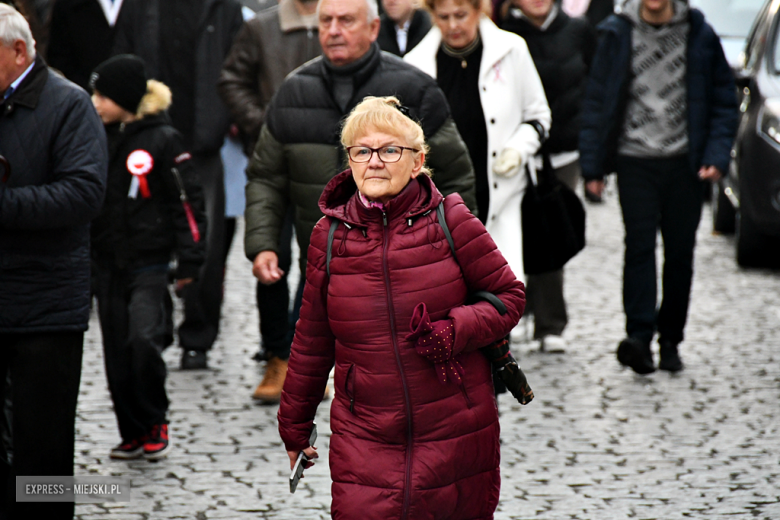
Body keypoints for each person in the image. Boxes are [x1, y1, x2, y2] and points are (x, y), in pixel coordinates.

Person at [278, 96, 526, 519]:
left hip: (455, 428)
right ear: (350, 161)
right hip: (365, 431)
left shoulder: (453, 218)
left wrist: (456, 329)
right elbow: (312, 339)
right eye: (361, 151)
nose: (374, 161)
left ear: (417, 162)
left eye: (390, 150)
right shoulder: (328, 236)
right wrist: (294, 428)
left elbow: (509, 297)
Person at [244, 0, 477, 402]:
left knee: (392, 380)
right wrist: (263, 242)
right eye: (326, 21)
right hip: (322, 257)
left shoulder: (414, 88)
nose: (334, 30)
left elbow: (456, 176)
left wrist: (457, 246)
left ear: (372, 29)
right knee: (318, 358)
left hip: (407, 264)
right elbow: (266, 177)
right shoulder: (292, 91)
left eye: (346, 21)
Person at [579, 0, 737, 373]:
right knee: (639, 246)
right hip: (635, 159)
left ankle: (671, 340)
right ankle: (639, 338)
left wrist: (716, 154)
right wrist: (593, 167)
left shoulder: (699, 32)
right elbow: (597, 100)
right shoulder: (617, 32)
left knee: (680, 252)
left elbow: (723, 100)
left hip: (686, 162)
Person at [0, 5, 107, 518]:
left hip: (46, 303)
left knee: (44, 455)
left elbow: (84, 194)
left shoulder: (69, 104)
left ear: (18, 51)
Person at [113, 0, 244, 369]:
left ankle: (197, 338)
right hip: (147, 142)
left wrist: (223, 120)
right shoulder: (139, 7)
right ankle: (147, 327)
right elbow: (121, 59)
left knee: (205, 243)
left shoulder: (225, 7)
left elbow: (239, 69)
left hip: (203, 141)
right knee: (141, 237)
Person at [89, 55, 206, 460]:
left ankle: (155, 418)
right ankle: (132, 431)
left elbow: (187, 202)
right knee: (115, 355)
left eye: (102, 95)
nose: (95, 102)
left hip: (150, 262)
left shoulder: (162, 139)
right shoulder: (94, 135)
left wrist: (190, 259)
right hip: (107, 263)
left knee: (141, 342)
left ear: (123, 97)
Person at [404, 0, 550, 315]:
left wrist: (518, 148)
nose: (454, 25)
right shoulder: (415, 63)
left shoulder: (512, 49)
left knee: (498, 296)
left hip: (502, 193)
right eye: (444, 17)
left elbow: (539, 116)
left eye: (461, 15)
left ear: (478, 11)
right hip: (442, 200)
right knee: (450, 297)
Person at [218, 0, 321, 393]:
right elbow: (231, 79)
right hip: (273, 161)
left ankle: (304, 356)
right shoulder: (262, 27)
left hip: (325, 162)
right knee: (269, 257)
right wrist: (262, 124)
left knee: (320, 263)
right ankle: (278, 356)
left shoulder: (339, 21)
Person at [501, 0, 595, 352]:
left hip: (563, 150)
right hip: (515, 151)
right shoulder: (506, 34)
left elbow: (592, 84)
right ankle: (517, 312)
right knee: (514, 232)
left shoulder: (578, 31)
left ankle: (551, 322)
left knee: (552, 229)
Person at [47, 0, 126, 90]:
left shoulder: (140, 5)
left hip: (139, 96)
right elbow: (60, 60)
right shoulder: (67, 6)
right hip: (84, 94)